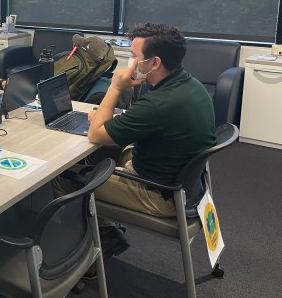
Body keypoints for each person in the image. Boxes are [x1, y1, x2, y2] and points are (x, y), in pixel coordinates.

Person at [53, 22, 216, 263]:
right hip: (186, 187)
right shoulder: (191, 86)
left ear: (155, 63)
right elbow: (150, 120)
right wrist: (115, 119)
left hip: (157, 193)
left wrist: (115, 87)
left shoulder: (158, 103)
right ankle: (98, 230)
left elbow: (95, 135)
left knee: (62, 176)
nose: (130, 63)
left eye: (134, 56)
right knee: (105, 154)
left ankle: (95, 248)